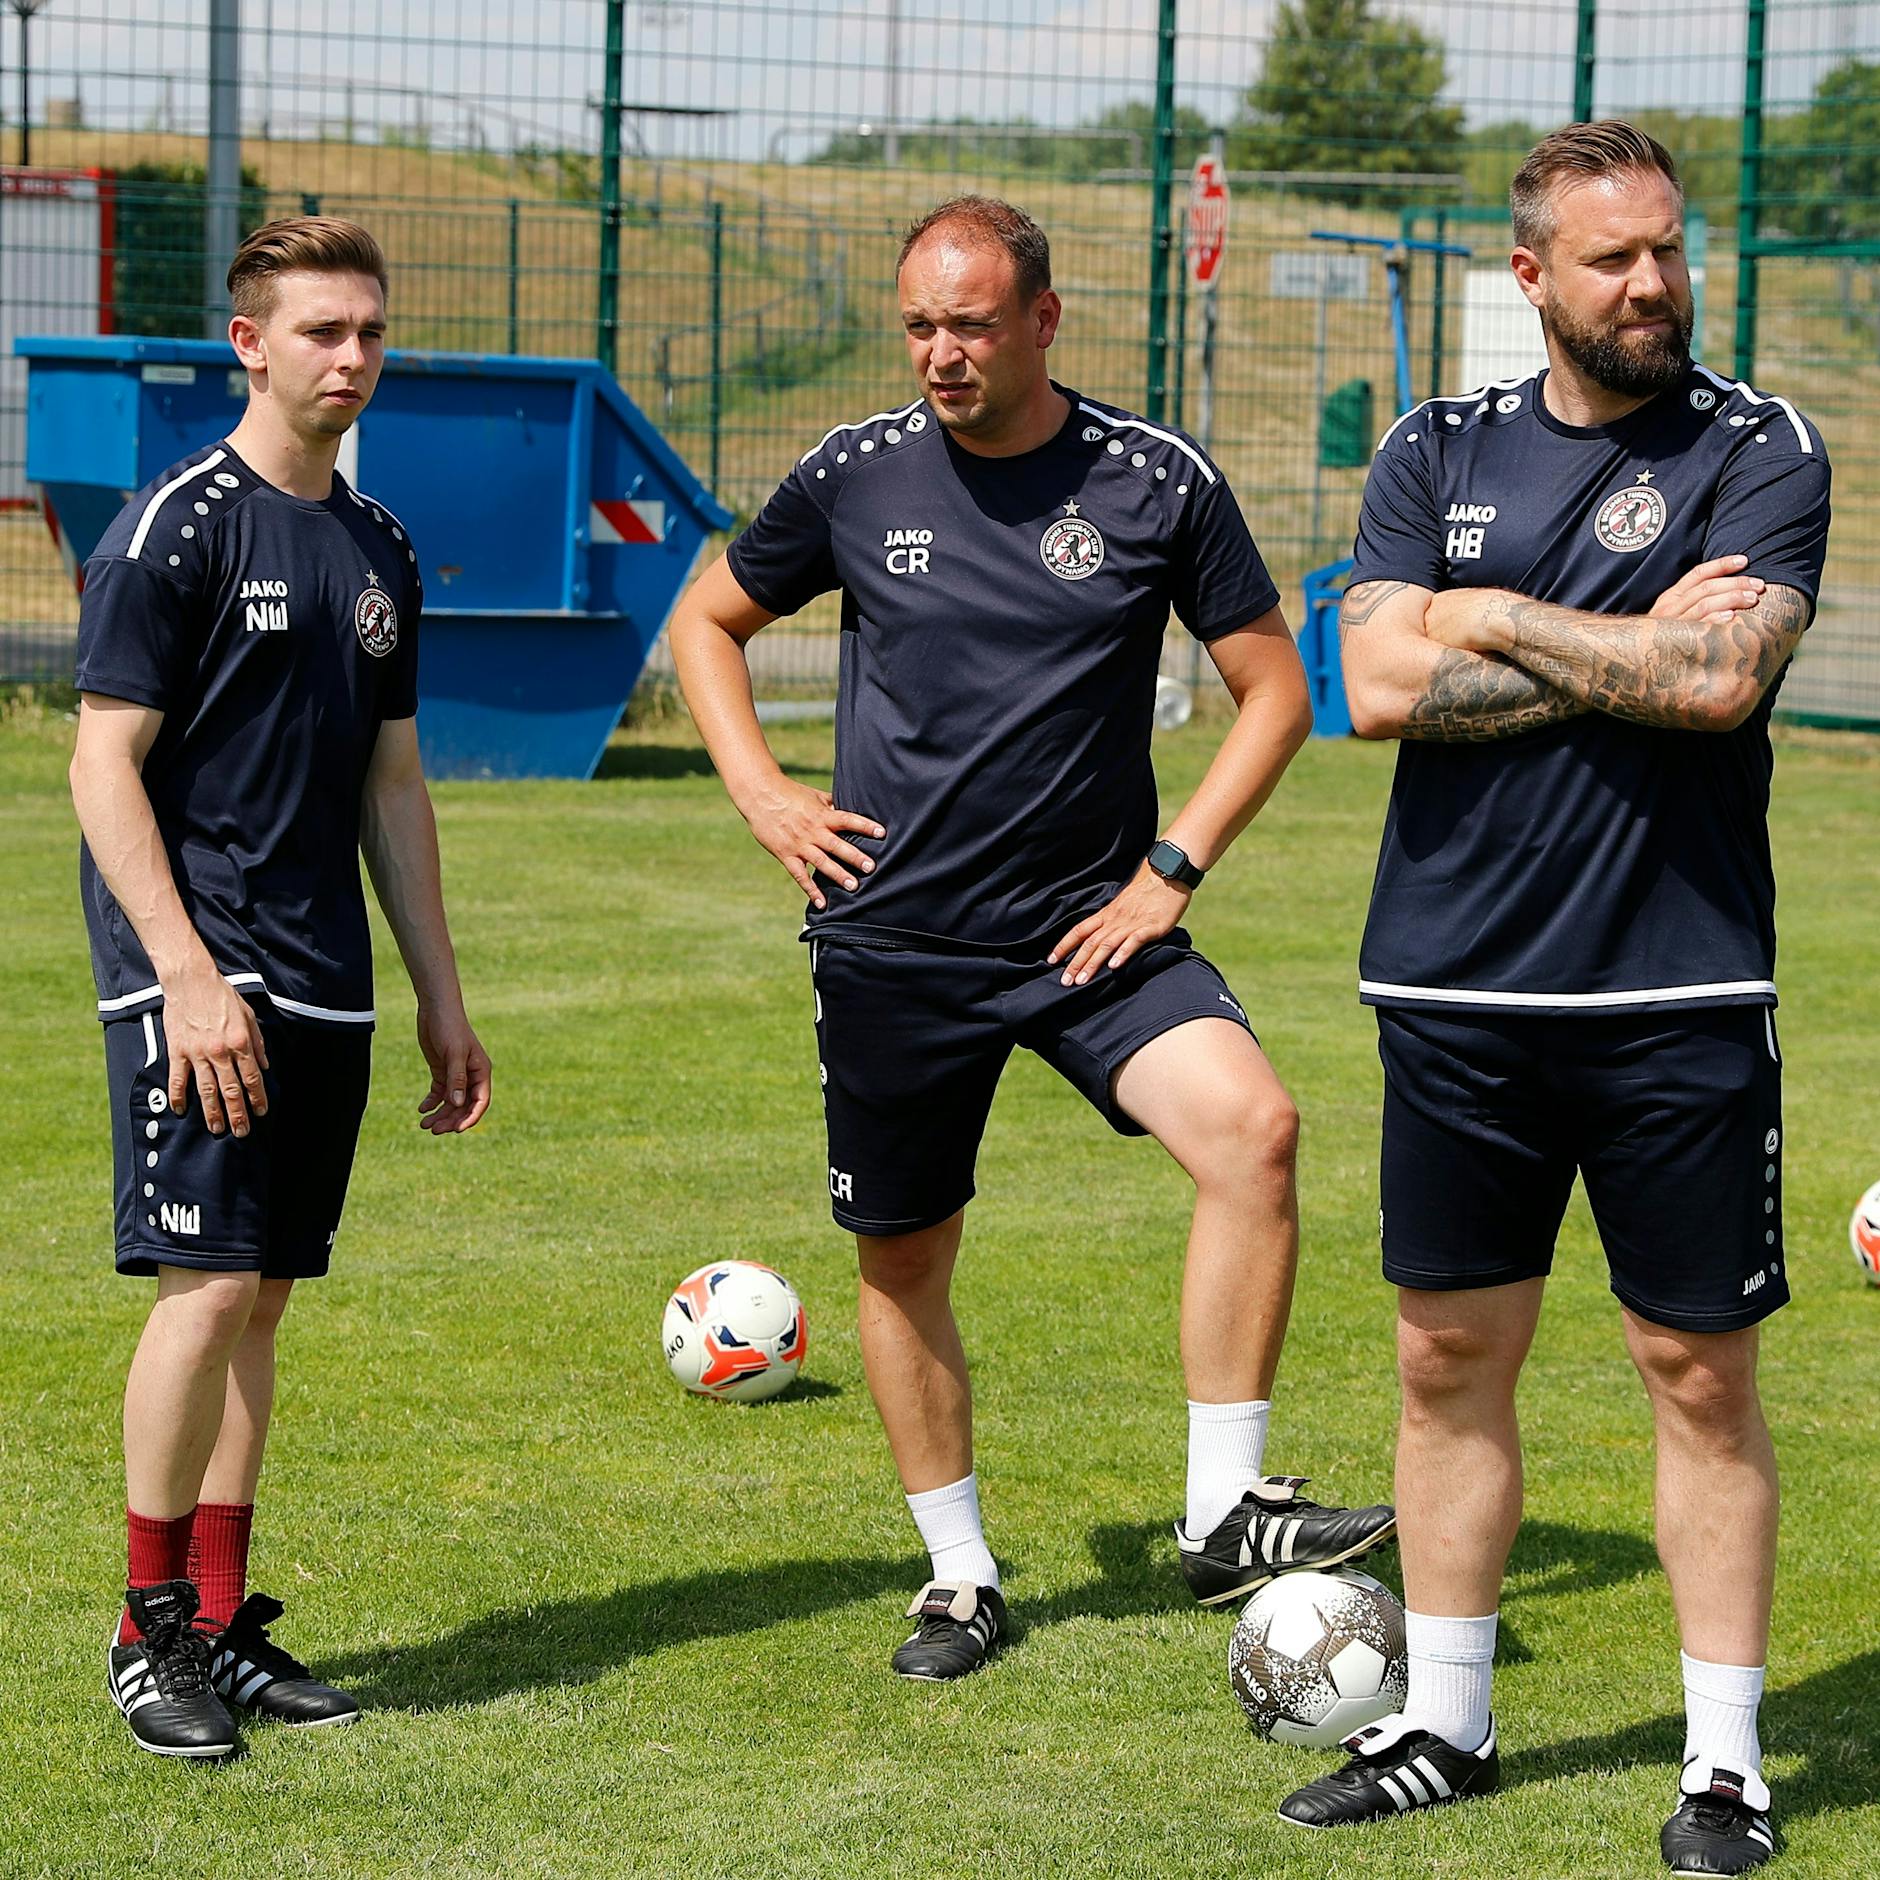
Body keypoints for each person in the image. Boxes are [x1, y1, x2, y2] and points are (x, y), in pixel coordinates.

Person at [669, 195, 1395, 1682]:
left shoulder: (1153, 483)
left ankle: (1222, 1505)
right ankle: (958, 1576)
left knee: (1255, 1130)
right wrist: (762, 793)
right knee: (902, 1261)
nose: (942, 352)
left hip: (1088, 934)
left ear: (1044, 321)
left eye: (973, 324)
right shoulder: (855, 475)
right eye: (922, 324)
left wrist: (1171, 869)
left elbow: (1275, 689)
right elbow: (707, 623)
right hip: (895, 945)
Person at [1276, 124, 1828, 1879]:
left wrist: (1497, 611)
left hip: (1678, 987)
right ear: (1530, 277)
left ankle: (1726, 1764)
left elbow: (1724, 677)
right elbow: (1368, 687)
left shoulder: (1761, 445)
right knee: (1445, 1361)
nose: (1652, 281)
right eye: (1613, 258)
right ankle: (1446, 1719)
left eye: (1667, 249)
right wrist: (1617, 645)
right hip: (1451, 991)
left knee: (1695, 1372)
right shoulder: (1428, 446)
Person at [71, 216, 493, 1758]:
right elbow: (98, 764)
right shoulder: (178, 526)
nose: (353, 358)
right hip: (199, 966)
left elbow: (395, 783)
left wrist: (440, 995)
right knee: (209, 1286)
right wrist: (185, 974)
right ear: (250, 342)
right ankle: (146, 1628)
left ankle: (222, 1620)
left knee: (267, 1300)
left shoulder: (376, 546)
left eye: (371, 331)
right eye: (322, 331)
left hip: (323, 978)